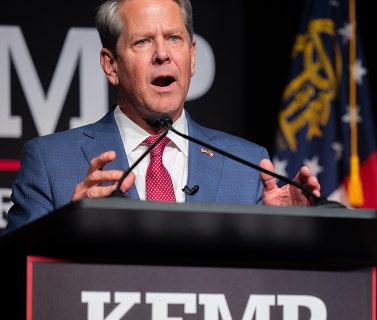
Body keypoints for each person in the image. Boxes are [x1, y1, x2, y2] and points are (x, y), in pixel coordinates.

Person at [1, 0, 321, 235]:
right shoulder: (50, 161)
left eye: (173, 38)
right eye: (143, 41)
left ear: (192, 57)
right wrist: (67, 227)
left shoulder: (246, 164)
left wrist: (285, 232)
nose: (163, 54)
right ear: (111, 65)